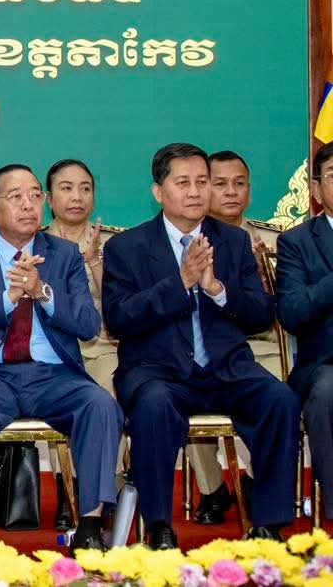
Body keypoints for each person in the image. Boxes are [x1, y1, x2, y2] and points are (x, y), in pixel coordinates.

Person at [102, 142, 299, 547]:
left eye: (202, 182)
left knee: (280, 399)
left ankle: (269, 524)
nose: (195, 192)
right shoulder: (127, 247)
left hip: (227, 368)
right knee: (154, 405)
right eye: (183, 183)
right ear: (159, 191)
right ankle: (159, 524)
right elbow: (119, 319)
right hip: (159, 371)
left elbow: (261, 315)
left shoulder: (233, 242)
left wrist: (217, 290)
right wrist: (181, 283)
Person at [0, 164, 120, 551]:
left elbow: (88, 325)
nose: (28, 204)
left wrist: (42, 293)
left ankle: (91, 525)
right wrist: (8, 298)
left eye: (35, 195)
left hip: (55, 376)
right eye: (15, 196)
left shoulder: (65, 256)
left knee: (100, 405)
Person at [186, 150, 284, 524]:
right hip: (210, 344)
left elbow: (284, 309)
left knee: (272, 390)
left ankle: (259, 482)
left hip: (265, 344)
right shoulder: (188, 239)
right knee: (184, 380)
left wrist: (265, 277)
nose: (231, 192)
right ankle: (212, 489)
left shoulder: (275, 239)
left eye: (239, 184)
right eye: (220, 183)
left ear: (250, 190)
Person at [42, 158, 124, 528]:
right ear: (49, 198)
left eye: (85, 189)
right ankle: (70, 490)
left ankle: (105, 490)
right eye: (67, 188)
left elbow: (121, 307)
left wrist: (94, 263)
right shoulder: (34, 242)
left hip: (103, 346)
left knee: (107, 396)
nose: (77, 197)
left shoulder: (116, 244)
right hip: (55, 350)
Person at [276, 140, 333, 521]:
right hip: (323, 364)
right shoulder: (296, 242)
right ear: (315, 189)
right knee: (329, 390)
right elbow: (293, 313)